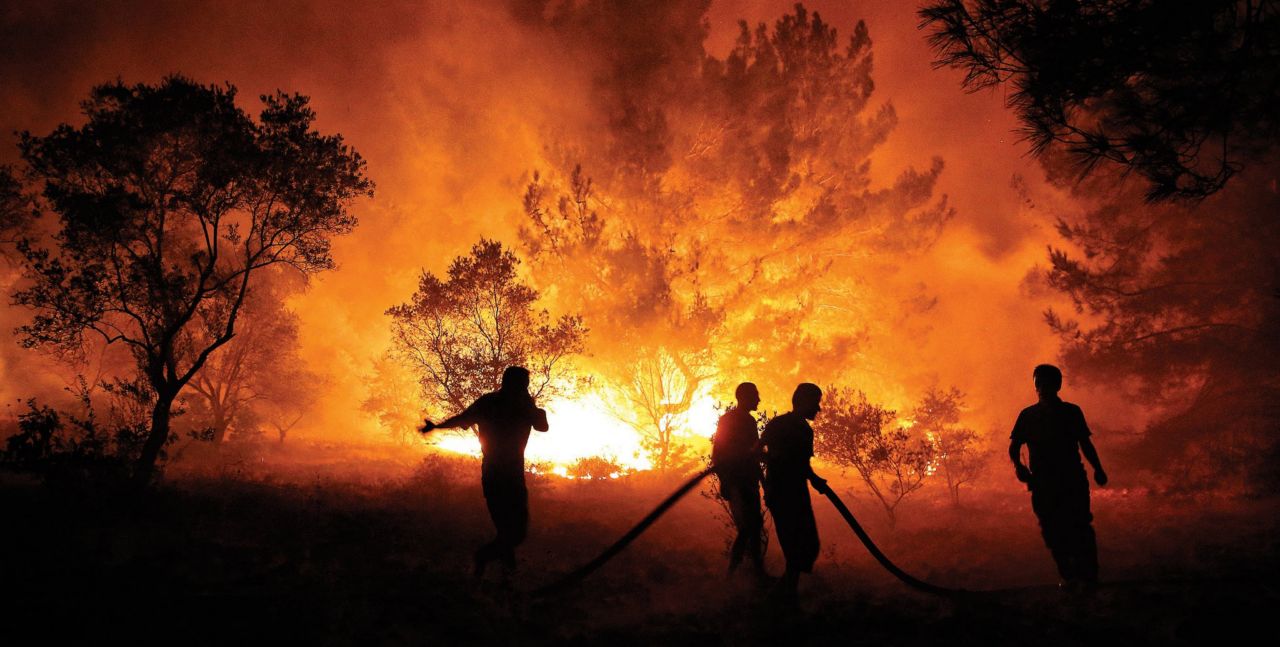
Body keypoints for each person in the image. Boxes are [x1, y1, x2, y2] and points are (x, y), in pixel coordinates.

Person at [420, 366, 549, 580]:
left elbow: (463, 419)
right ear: (519, 385)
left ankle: (504, 580)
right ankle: (483, 559)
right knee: (515, 533)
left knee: (506, 532)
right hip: (508, 478)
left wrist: (437, 427)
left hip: (495, 476)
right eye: (523, 385)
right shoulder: (522, 406)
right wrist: (536, 410)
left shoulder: (491, 403)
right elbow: (542, 426)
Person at [1009, 364, 1108, 594]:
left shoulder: (1071, 412)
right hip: (1043, 482)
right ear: (1035, 386)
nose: (1042, 387)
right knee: (1052, 529)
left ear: (1057, 385)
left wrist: (1098, 469)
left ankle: (1088, 577)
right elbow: (1014, 447)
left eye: (1046, 383)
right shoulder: (1028, 415)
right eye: (1039, 383)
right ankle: (1069, 575)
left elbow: (1085, 444)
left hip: (1071, 479)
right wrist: (1019, 467)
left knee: (1079, 526)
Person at [761, 383, 830, 603]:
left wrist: (768, 480)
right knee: (801, 544)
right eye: (816, 402)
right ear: (802, 401)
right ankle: (783, 597)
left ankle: (784, 594)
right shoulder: (801, 429)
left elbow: (756, 450)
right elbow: (798, 464)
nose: (818, 409)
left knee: (797, 545)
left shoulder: (778, 423)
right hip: (790, 494)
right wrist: (812, 478)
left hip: (780, 492)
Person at [711, 382, 767, 580]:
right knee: (748, 527)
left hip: (747, 480)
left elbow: (754, 454)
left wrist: (762, 481)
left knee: (754, 525)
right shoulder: (732, 420)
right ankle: (733, 573)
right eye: (756, 395)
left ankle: (756, 572)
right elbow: (718, 452)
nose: (759, 399)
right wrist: (726, 480)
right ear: (745, 397)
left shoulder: (747, 421)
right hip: (738, 481)